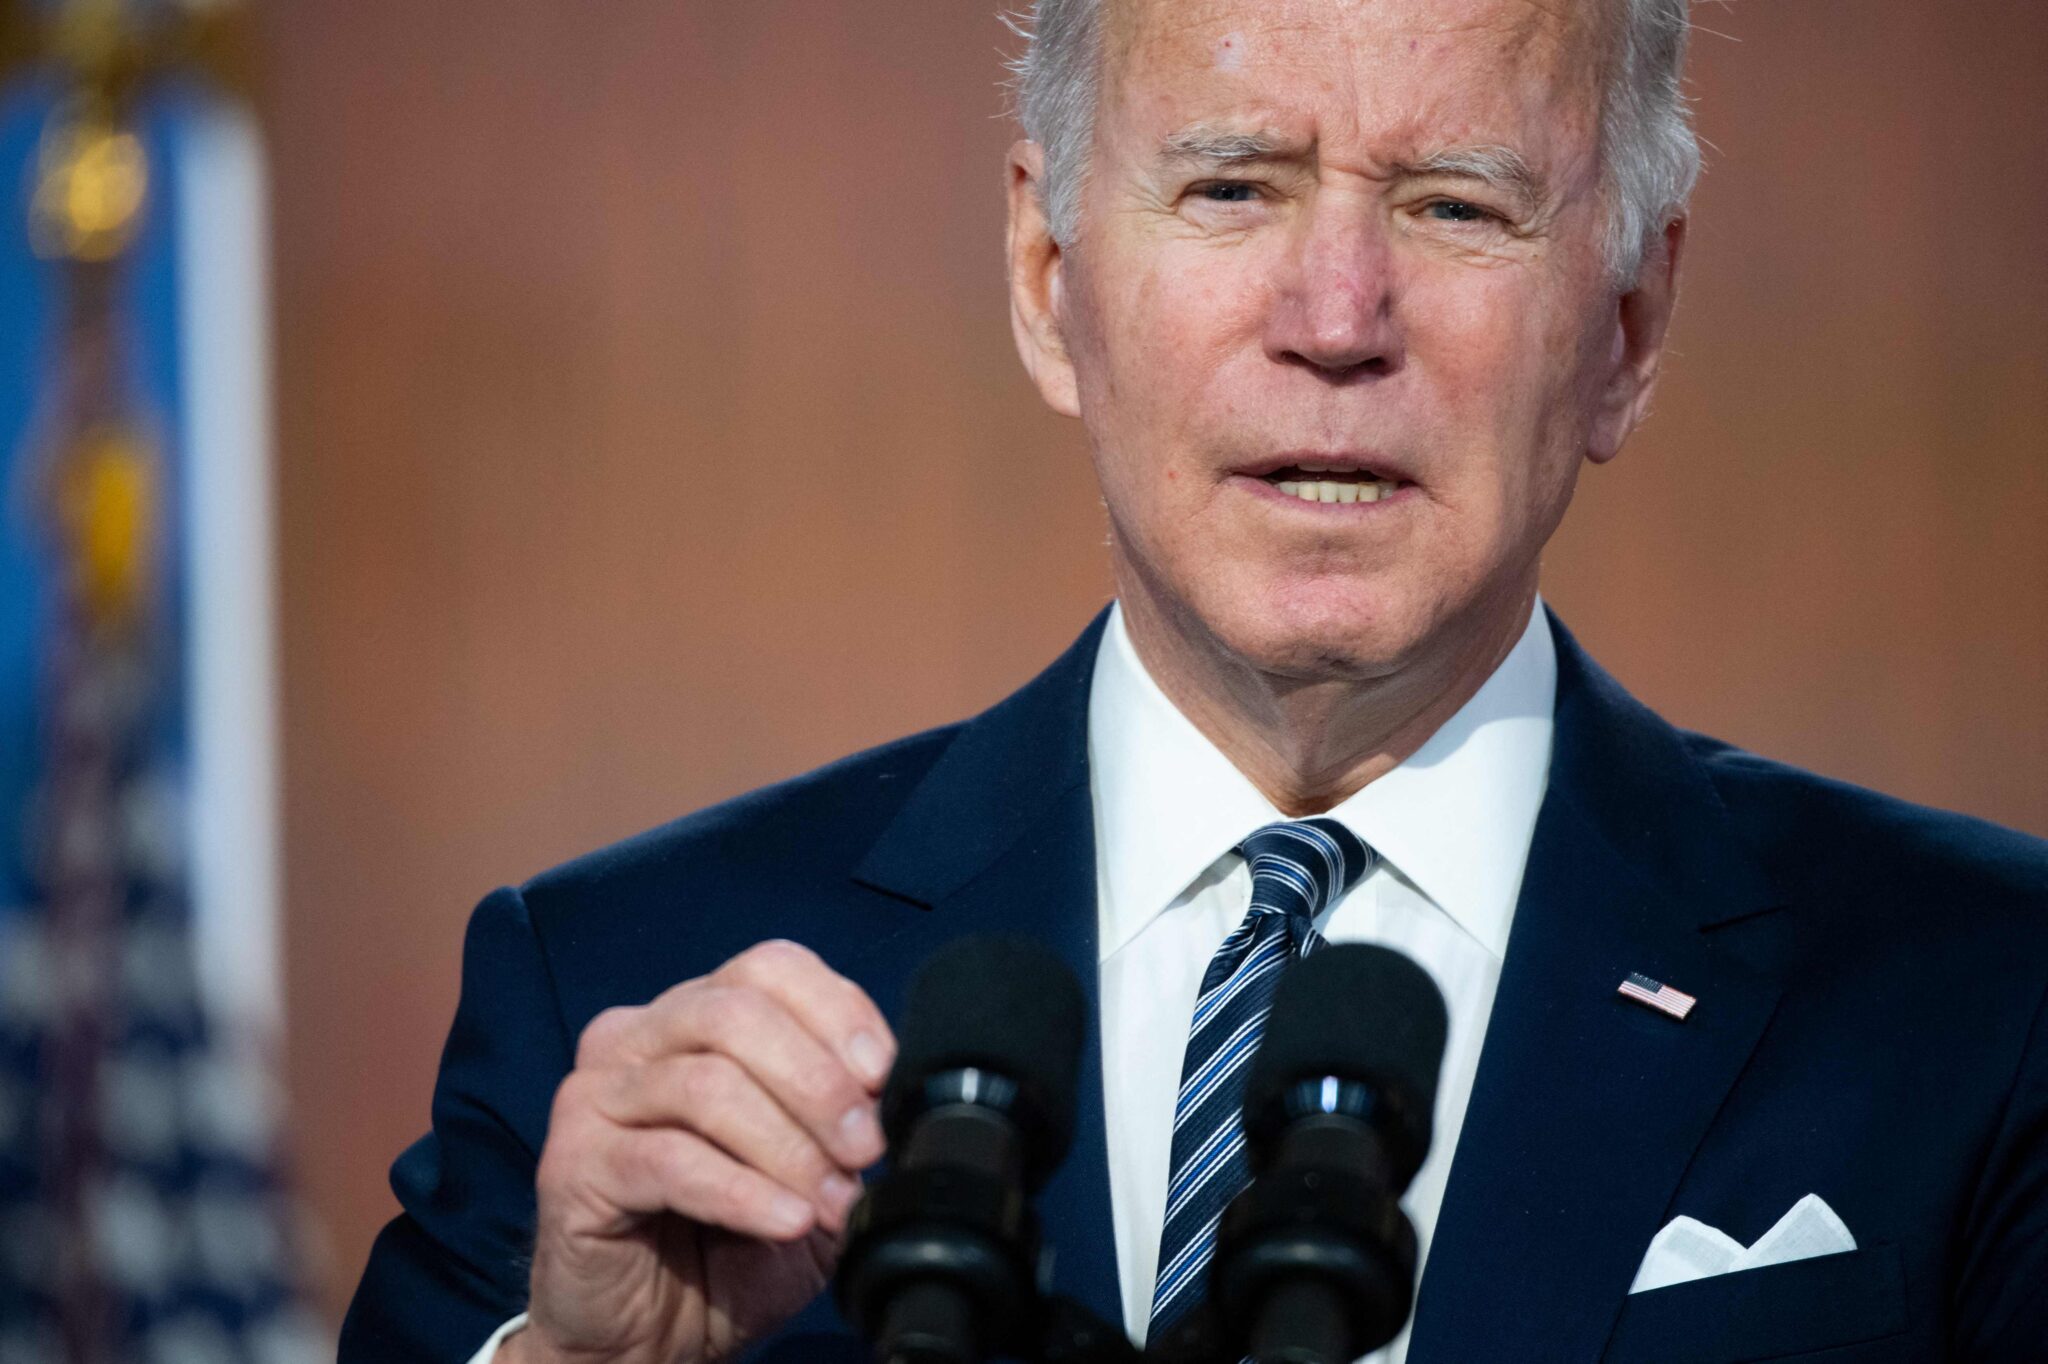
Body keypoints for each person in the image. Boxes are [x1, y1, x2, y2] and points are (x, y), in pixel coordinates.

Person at [340, 0, 2048, 1359]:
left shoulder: (1980, 999)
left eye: (1458, 204)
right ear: (1047, 273)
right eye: (1233, 185)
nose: (1335, 314)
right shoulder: (621, 995)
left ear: (1627, 325)